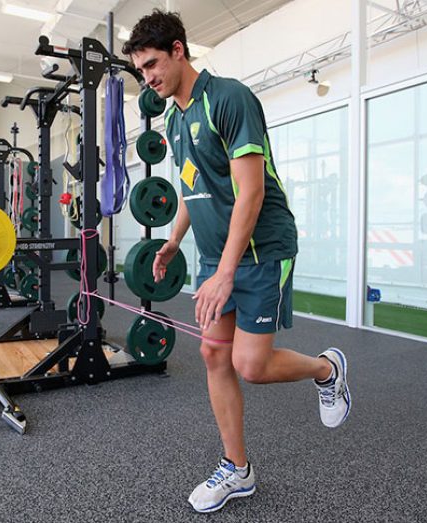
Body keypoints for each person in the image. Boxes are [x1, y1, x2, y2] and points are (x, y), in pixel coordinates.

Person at [122, 9, 351, 514]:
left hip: (261, 249)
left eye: (154, 64)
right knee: (212, 355)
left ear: (179, 49)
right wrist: (171, 241)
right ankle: (237, 468)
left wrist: (226, 272)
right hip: (215, 254)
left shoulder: (230, 99)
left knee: (250, 364)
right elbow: (191, 189)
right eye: (142, 71)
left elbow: (250, 191)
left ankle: (325, 370)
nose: (149, 77)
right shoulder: (174, 119)